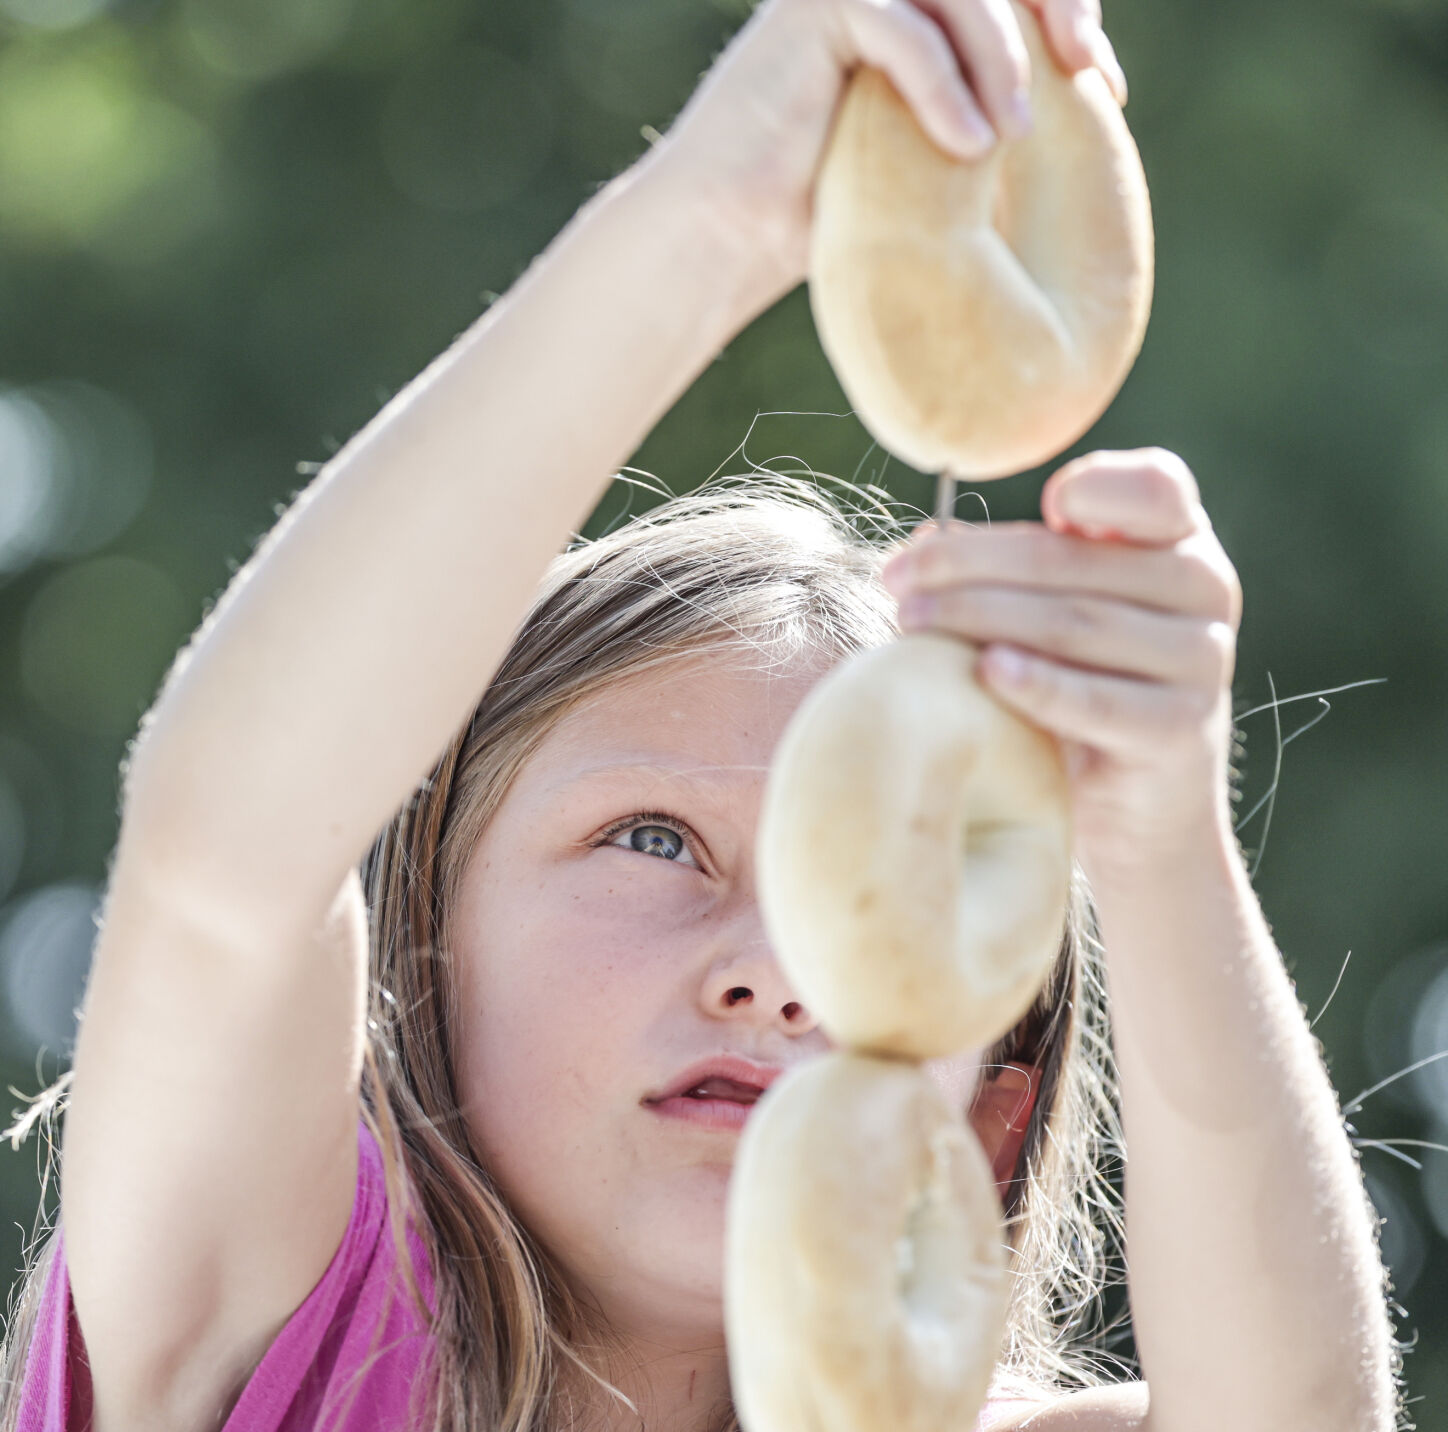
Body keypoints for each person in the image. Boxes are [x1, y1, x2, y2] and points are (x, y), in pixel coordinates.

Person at [0, 0, 1403, 1429]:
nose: (778, 973)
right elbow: (225, 857)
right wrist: (710, 215)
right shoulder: (290, 1331)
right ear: (411, 963)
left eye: (879, 895)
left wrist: (1161, 839)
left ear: (986, 1128)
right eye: (656, 840)